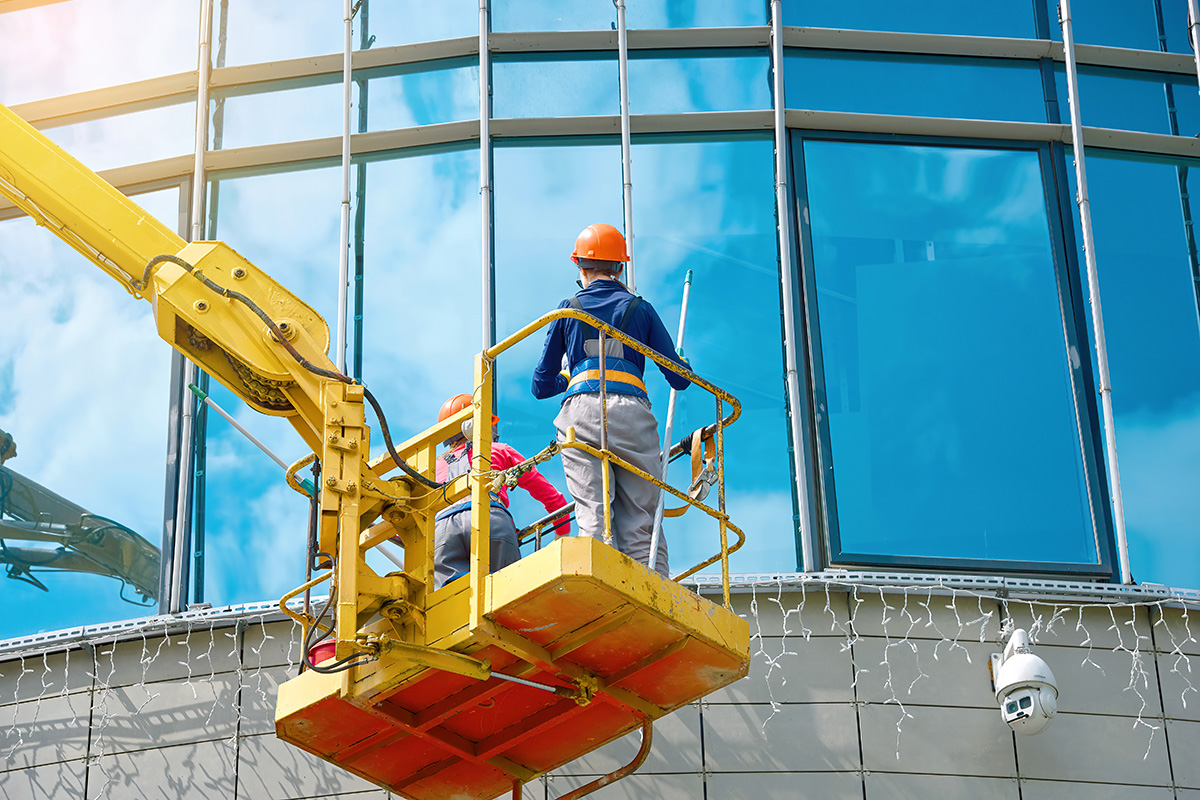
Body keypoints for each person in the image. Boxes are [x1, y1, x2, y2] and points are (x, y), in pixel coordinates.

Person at [530, 223, 690, 577]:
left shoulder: (566, 311)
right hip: (631, 413)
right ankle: (653, 595)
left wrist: (570, 375)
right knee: (642, 521)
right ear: (620, 267)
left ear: (580, 267)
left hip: (581, 414)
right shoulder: (640, 309)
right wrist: (681, 359)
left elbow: (540, 386)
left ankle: (598, 590)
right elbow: (679, 378)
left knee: (593, 513)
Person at [432, 394, 570, 589]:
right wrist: (562, 533)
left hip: (442, 531)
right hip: (490, 519)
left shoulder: (431, 466)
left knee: (446, 602)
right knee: (504, 595)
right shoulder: (499, 450)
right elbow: (551, 497)